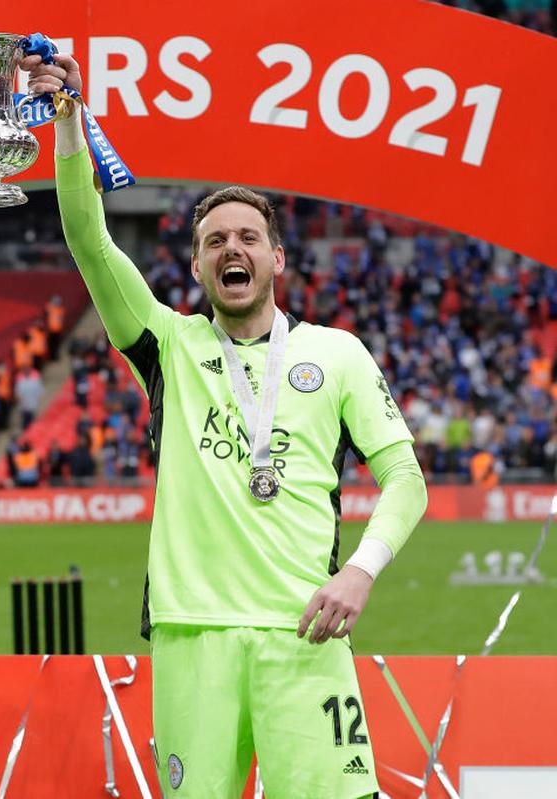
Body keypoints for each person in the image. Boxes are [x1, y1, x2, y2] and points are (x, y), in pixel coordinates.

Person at [25, 53, 428, 798]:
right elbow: (90, 239)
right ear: (200, 265)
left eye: (247, 237)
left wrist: (360, 570)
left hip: (304, 632)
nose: (231, 249)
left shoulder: (334, 352)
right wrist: (69, 122)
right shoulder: (168, 344)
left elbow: (405, 477)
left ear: (275, 257)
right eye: (215, 240)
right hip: (193, 634)